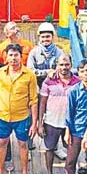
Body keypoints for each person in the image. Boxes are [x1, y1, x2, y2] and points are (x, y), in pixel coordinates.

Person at [0, 44, 38, 174]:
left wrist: (34, 123)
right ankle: (0, 171)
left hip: (22, 117)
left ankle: (25, 172)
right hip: (2, 116)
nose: (13, 58)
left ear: (21, 56)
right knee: (2, 142)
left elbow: (34, 100)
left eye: (16, 55)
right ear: (5, 56)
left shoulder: (29, 75)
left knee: (23, 144)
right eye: (10, 55)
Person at [37, 53, 80, 174]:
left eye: (67, 64)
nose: (64, 67)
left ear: (71, 65)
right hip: (51, 121)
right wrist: (40, 123)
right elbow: (42, 103)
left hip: (71, 124)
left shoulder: (78, 82)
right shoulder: (48, 81)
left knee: (72, 150)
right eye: (61, 64)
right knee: (49, 149)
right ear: (56, 66)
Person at [27, 22, 64, 151]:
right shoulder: (34, 53)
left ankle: (54, 146)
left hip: (53, 89)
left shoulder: (59, 52)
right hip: (36, 87)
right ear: (39, 38)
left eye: (48, 37)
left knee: (53, 115)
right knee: (32, 115)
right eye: (43, 37)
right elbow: (30, 71)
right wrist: (46, 72)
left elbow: (62, 69)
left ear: (52, 37)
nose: (45, 39)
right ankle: (29, 142)